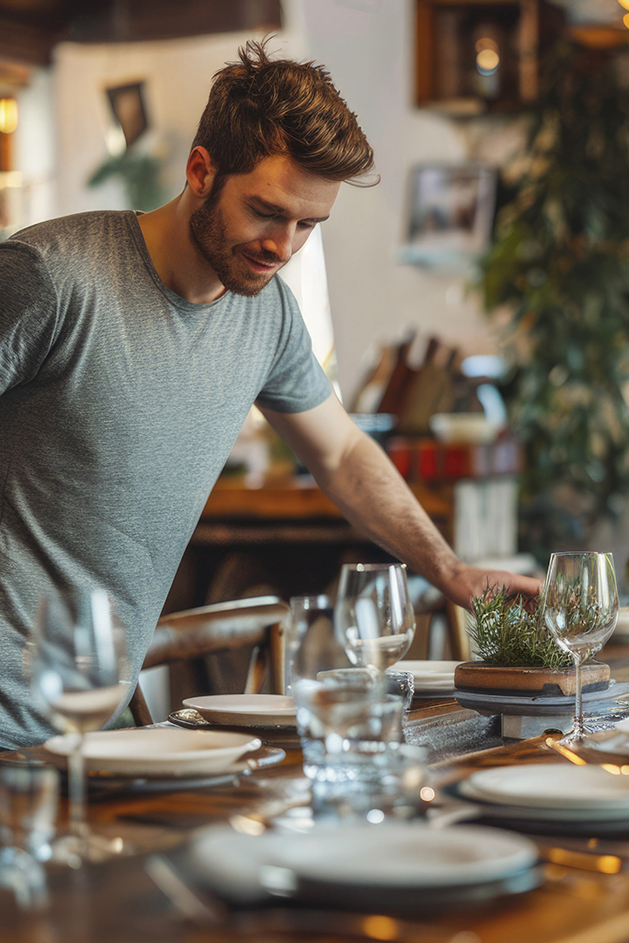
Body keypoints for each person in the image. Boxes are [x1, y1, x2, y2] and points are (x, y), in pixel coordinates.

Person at [0, 41, 540, 749]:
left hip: (89, 731)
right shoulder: (50, 277)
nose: (282, 246)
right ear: (200, 170)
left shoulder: (267, 314)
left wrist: (451, 570)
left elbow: (343, 452)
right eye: (267, 211)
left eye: (308, 225)